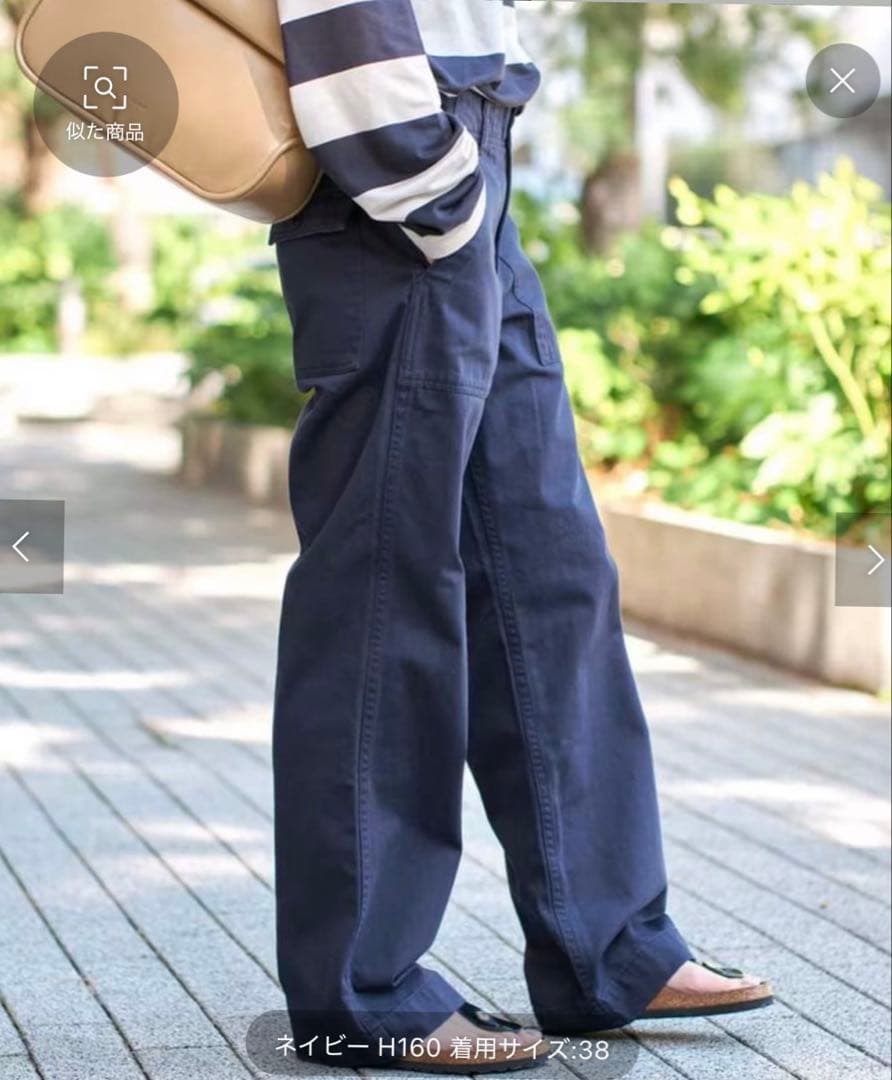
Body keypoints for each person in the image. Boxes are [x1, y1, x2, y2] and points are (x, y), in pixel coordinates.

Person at [270, 0, 772, 1071]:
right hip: (396, 174)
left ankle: (610, 949)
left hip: (464, 157)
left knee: (550, 570)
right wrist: (428, 184)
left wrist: (465, 191)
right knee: (382, 596)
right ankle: (359, 996)